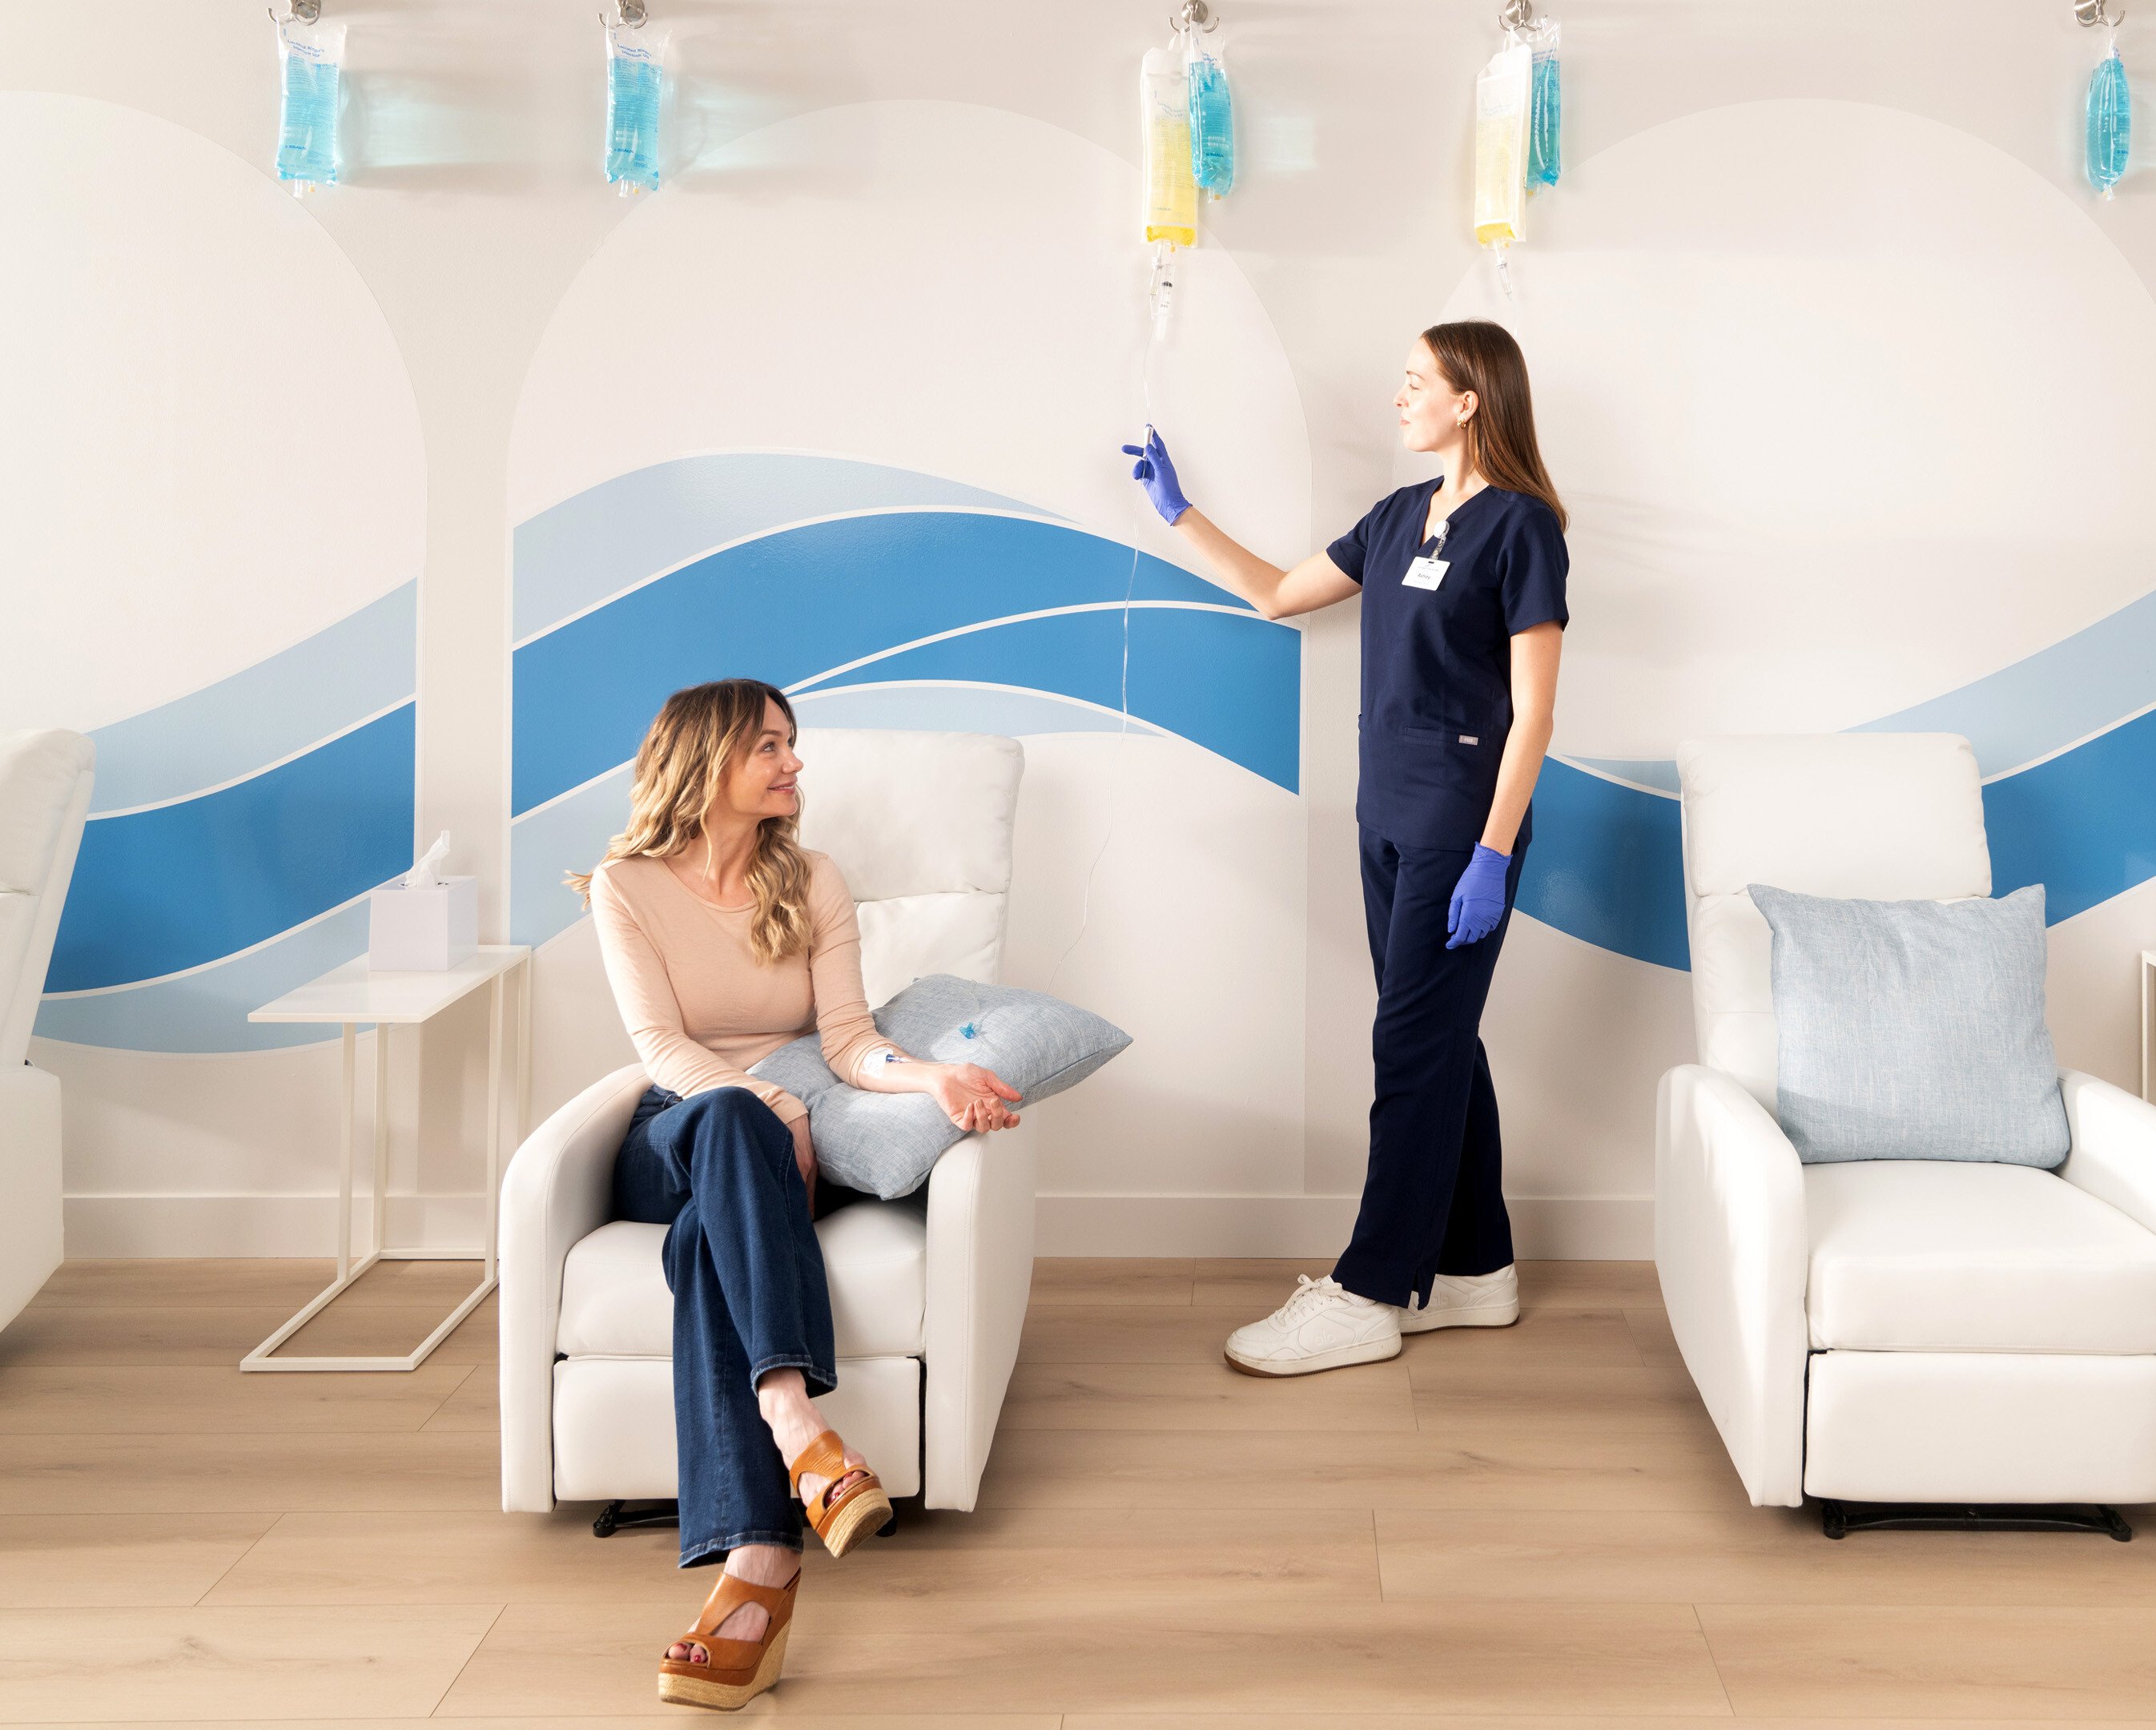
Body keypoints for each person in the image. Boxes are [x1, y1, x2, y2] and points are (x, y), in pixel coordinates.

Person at [569, 678, 1024, 1711]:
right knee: (730, 1121)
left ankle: (761, 1569)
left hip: (773, 1160)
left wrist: (934, 1078)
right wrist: (770, 1098)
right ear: (707, 758)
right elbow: (661, 1049)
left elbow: (855, 1044)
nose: (793, 764)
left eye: (792, 744)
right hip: (677, 1130)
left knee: (703, 1247)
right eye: (769, 746)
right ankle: (799, 1431)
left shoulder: (811, 877)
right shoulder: (626, 884)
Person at [1124, 319, 1567, 1376]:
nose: (1400, 394)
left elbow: (1536, 711)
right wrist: (1178, 511)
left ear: (1471, 399)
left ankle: (1372, 1290)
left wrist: (1494, 853)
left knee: (1407, 1050)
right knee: (1436, 1038)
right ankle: (1474, 1269)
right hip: (1384, 817)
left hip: (1465, 823)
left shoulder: (1523, 528)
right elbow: (1278, 595)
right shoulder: (1396, 517)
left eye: (1419, 381)